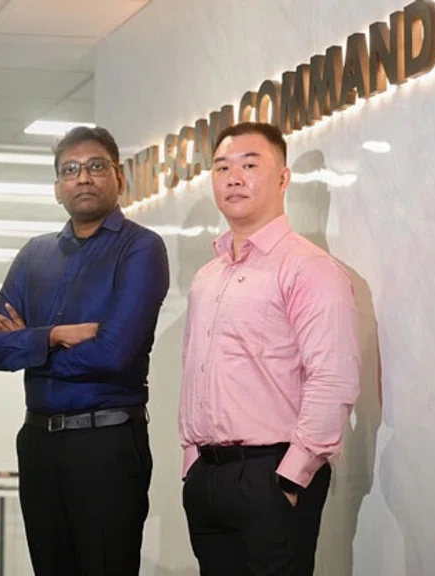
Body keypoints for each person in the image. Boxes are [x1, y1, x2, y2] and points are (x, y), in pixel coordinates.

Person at [0, 126, 170, 575]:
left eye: (97, 166)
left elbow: (114, 354)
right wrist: (54, 335)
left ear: (119, 178)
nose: (84, 177)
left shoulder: (140, 248)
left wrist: (27, 342)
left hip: (105, 443)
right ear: (57, 188)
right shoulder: (34, 254)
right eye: (71, 170)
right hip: (39, 443)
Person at [178, 121, 360, 576]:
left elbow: (334, 377)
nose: (233, 177)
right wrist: (191, 463)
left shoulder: (310, 269)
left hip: (272, 475)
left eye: (249, 164)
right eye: (222, 167)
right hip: (208, 477)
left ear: (283, 179)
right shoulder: (206, 278)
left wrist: (292, 475)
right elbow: (194, 372)